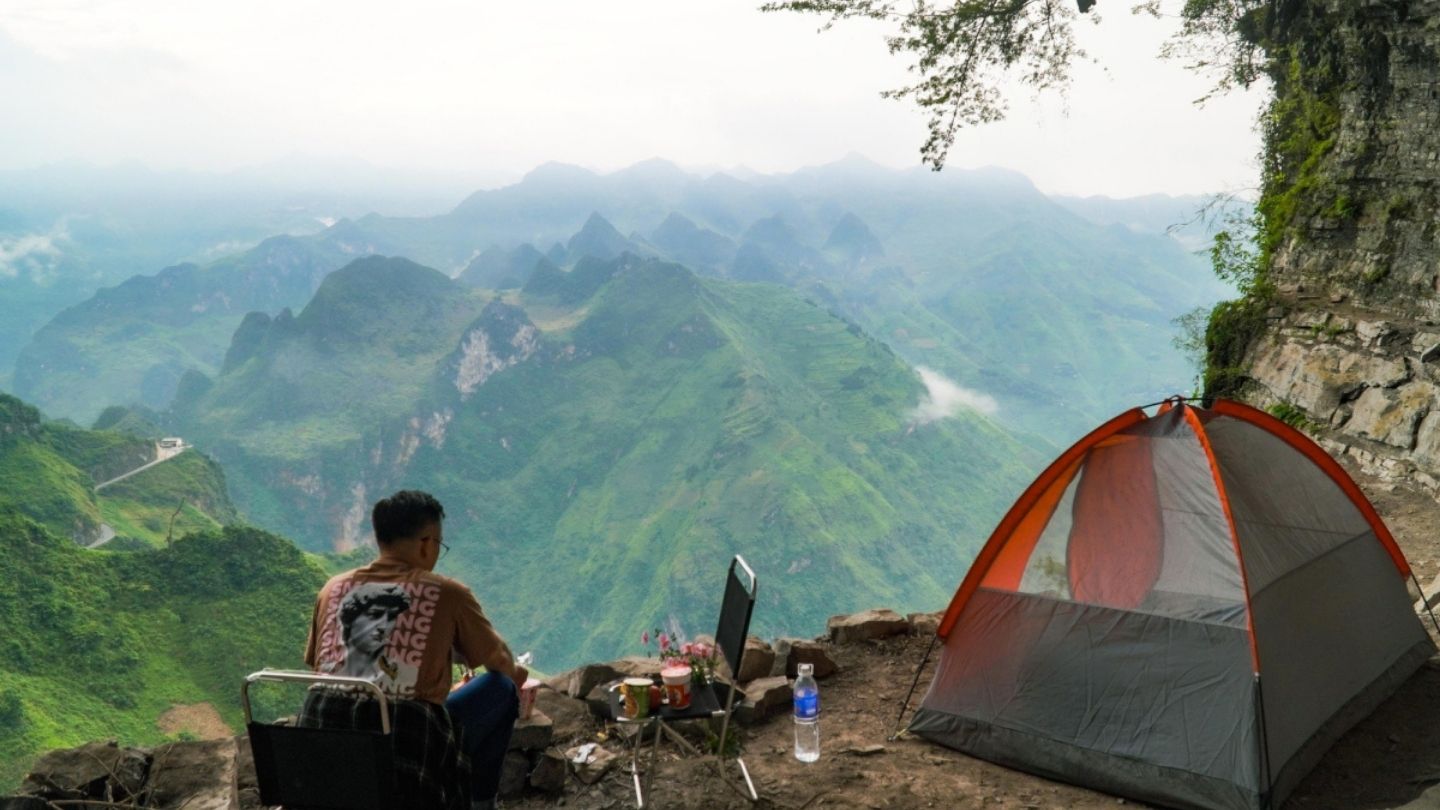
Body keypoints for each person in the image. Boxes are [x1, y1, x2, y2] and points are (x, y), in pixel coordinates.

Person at [304, 490, 529, 810]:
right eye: (439, 544)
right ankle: (481, 805)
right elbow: (501, 663)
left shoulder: (332, 589)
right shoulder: (448, 593)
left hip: (320, 753)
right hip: (403, 755)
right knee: (502, 689)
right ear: (427, 542)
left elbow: (320, 666)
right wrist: (518, 676)